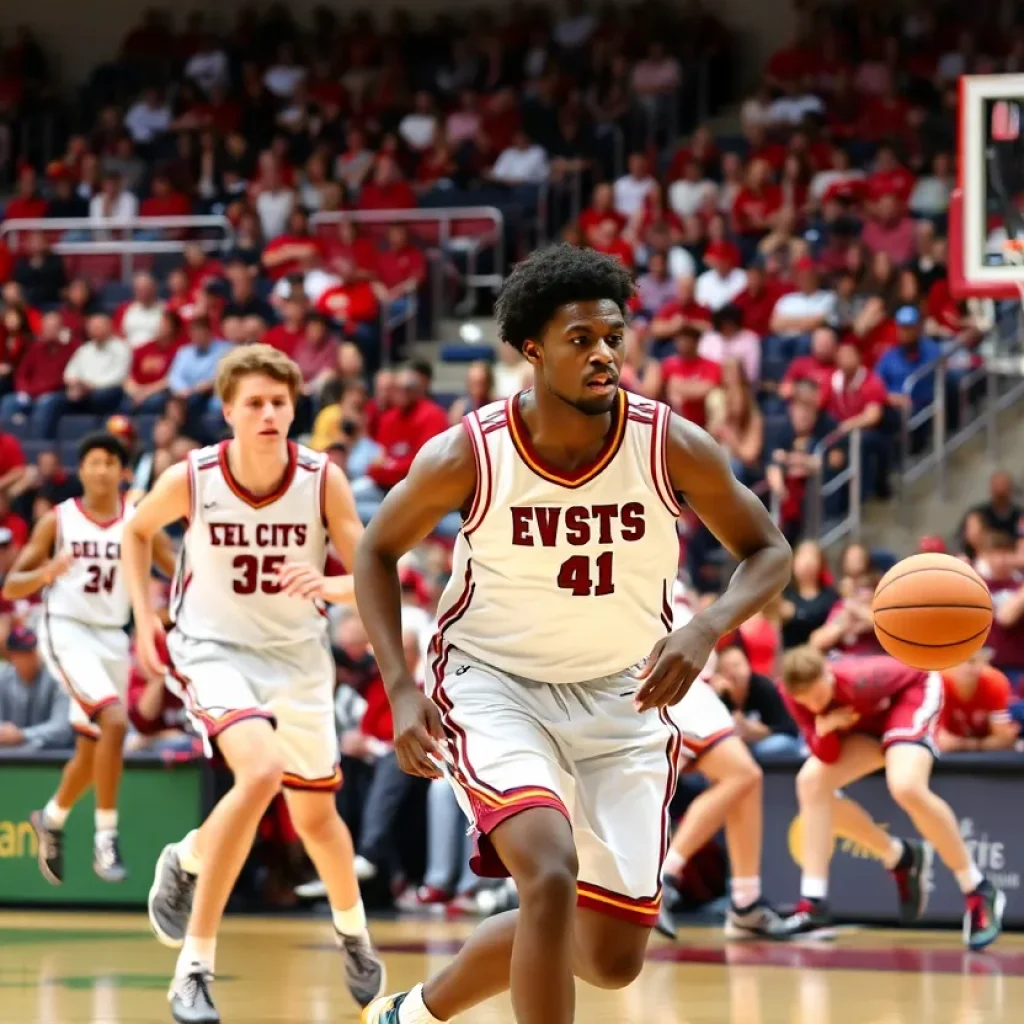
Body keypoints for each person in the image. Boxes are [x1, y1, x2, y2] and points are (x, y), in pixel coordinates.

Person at [354, 245, 792, 1024]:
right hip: (495, 687)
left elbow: (768, 551)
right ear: (532, 350)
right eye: (580, 339)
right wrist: (398, 687)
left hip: (625, 695)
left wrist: (707, 627)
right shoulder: (469, 452)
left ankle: (411, 1014)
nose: (603, 355)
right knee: (548, 874)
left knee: (609, 958)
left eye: (613, 337)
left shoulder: (670, 444)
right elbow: (375, 550)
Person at [121, 344, 383, 1023]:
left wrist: (328, 583)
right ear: (229, 412)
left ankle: (352, 934)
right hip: (213, 647)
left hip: (297, 656)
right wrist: (144, 616)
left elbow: (370, 577)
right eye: (256, 403)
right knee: (260, 772)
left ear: (294, 410)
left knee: (318, 821)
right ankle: (194, 970)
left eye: (280, 402)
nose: (270, 413)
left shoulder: (322, 478)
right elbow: (136, 529)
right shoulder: (195, 475)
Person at [2, 433, 178, 885]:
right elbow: (12, 586)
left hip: (111, 638)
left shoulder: (139, 522)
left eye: (109, 462)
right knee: (116, 721)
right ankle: (106, 837)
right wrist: (47, 572)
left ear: (123, 472)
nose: (100, 469)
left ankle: (52, 817)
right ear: (80, 470)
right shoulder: (57, 521)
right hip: (65, 629)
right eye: (93, 462)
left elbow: (176, 571)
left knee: (91, 748)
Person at [775, 646, 1005, 949]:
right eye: (808, 701)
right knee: (810, 783)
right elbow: (826, 753)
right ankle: (820, 897)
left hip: (911, 694)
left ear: (827, 674)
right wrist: (826, 727)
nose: (815, 705)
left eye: (820, 696)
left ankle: (977, 888)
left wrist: (840, 724)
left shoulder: (862, 679)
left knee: (906, 785)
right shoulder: (791, 692)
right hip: (866, 725)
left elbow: (920, 673)